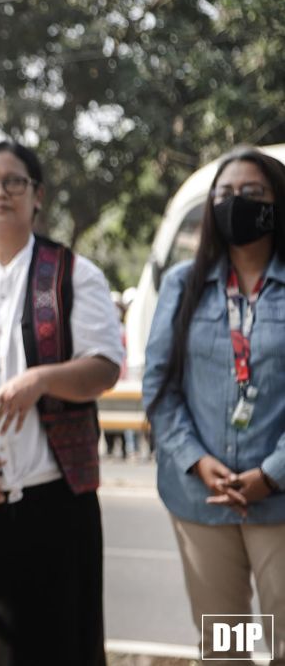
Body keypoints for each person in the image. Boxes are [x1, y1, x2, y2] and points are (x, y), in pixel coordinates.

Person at [0, 140, 123, 666]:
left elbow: (104, 367)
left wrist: (41, 380)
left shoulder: (71, 274)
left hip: (55, 496)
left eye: (15, 182)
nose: (0, 192)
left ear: (37, 196)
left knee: (62, 639)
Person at [143, 147, 285, 663]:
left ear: (278, 204)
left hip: (279, 500)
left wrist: (271, 473)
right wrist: (197, 461)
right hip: (202, 499)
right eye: (224, 195)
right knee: (227, 647)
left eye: (252, 194)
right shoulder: (184, 284)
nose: (236, 204)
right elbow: (160, 385)